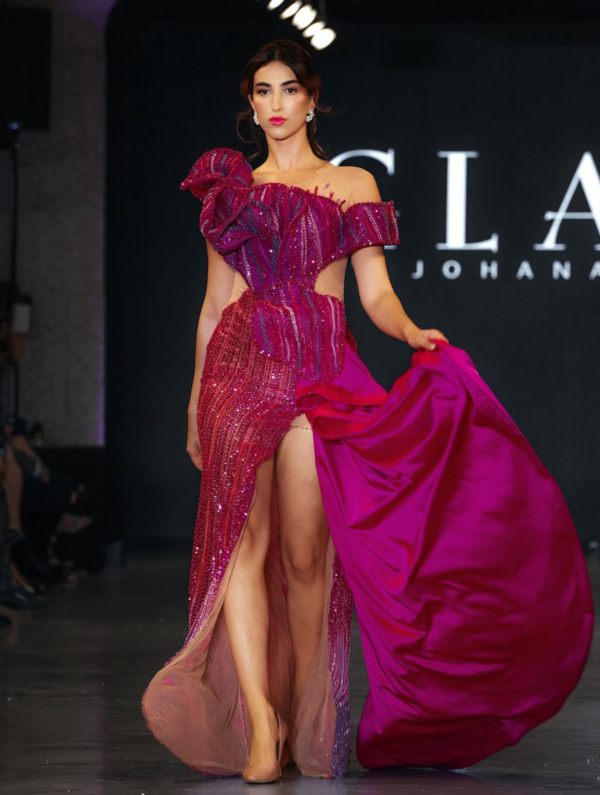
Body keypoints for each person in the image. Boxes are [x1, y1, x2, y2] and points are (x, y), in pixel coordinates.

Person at [142, 39, 594, 783]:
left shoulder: (351, 182)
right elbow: (213, 305)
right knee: (240, 551)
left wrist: (412, 329)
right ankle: (261, 720)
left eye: (290, 88)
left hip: (319, 369)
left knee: (304, 552)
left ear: (311, 97)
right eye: (263, 91)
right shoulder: (231, 191)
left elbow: (373, 291)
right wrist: (196, 400)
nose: (277, 103)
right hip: (238, 368)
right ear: (250, 103)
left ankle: (303, 707)